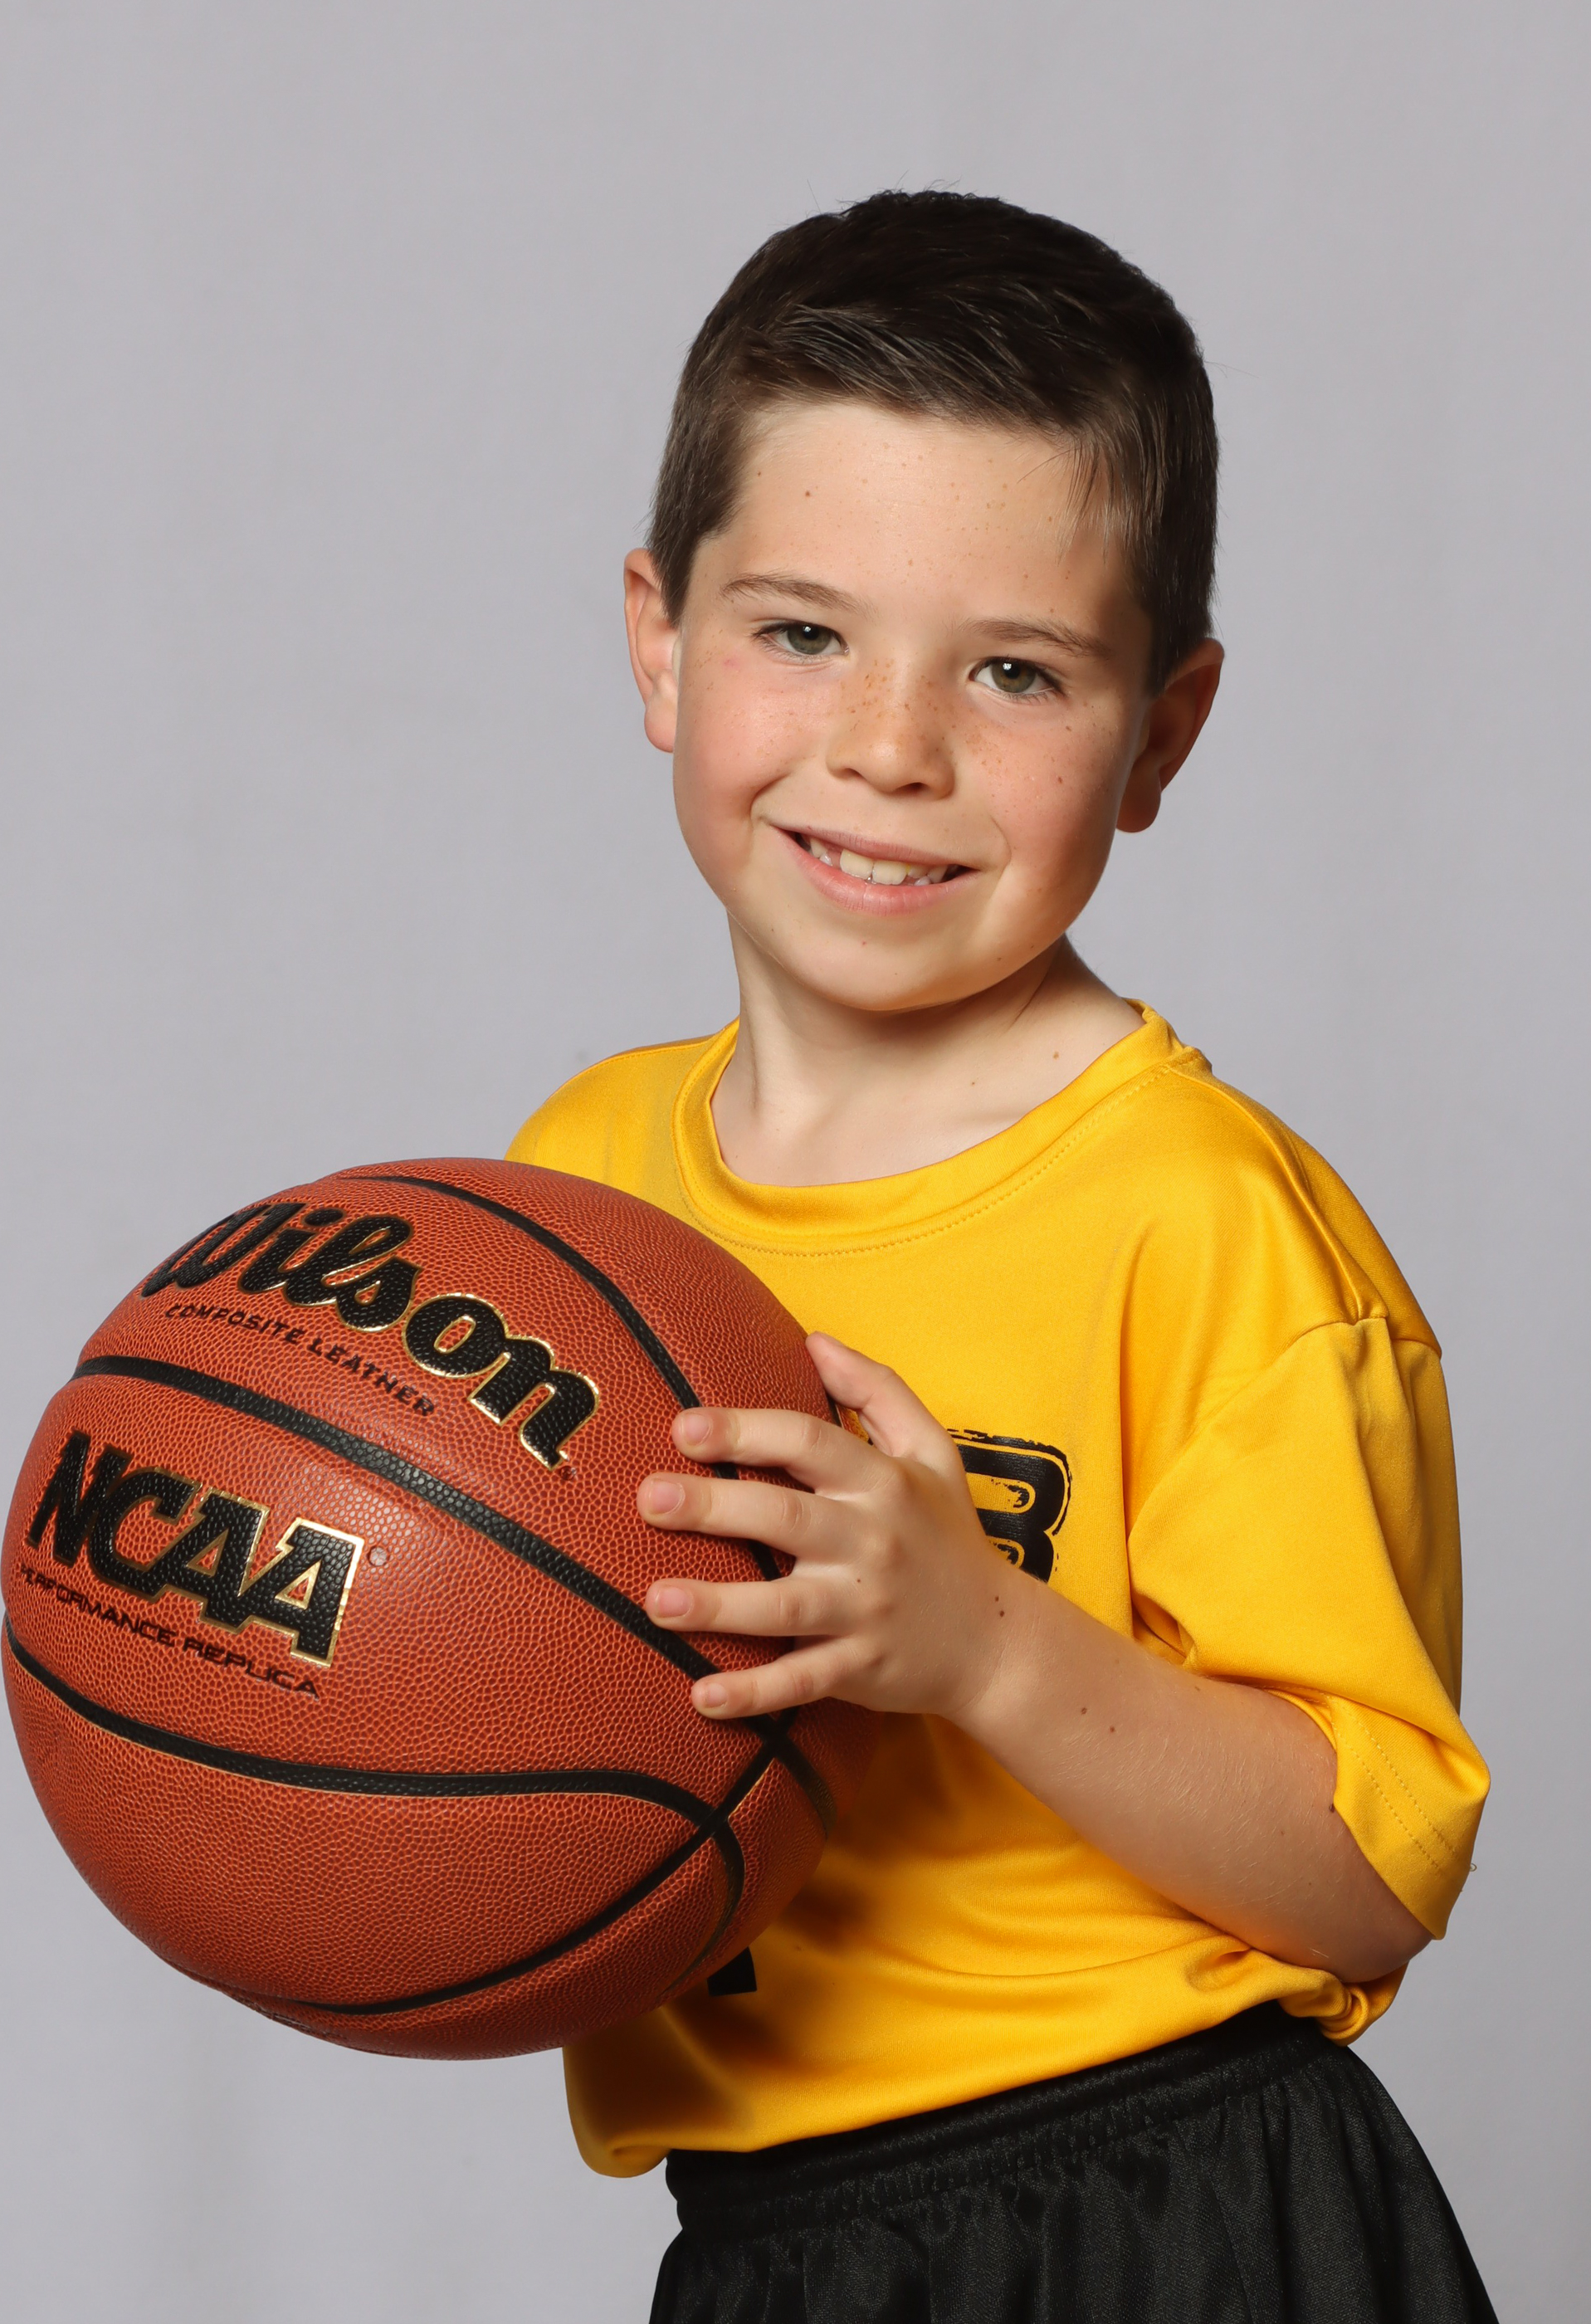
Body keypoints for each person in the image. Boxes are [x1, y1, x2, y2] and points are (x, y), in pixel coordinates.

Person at [508, 190, 1495, 2322]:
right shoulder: (573, 1187)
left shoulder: (1202, 1221)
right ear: (658, 639)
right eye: (801, 632)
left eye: (1015, 670)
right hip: (771, 2233)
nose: (891, 745)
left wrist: (978, 1643)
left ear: (1161, 730)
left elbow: (1368, 1875)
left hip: (1165, 2204)